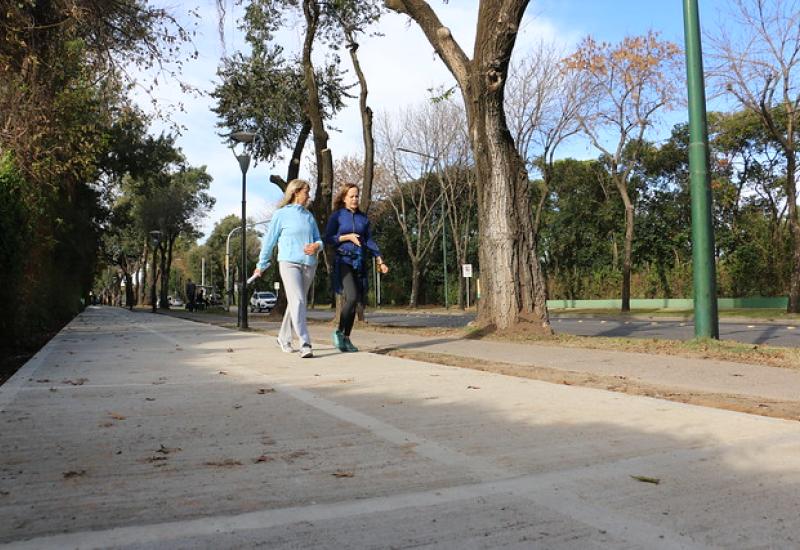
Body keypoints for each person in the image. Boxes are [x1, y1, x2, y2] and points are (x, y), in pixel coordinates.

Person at [252, 179, 322, 358]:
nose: (309, 195)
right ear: (296, 192)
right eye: (306, 191)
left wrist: (316, 246)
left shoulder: (308, 216)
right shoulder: (281, 215)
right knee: (298, 301)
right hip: (289, 262)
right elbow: (269, 241)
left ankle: (283, 337)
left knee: (296, 303)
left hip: (309, 263)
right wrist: (261, 264)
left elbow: (318, 239)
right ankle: (305, 343)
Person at [325, 183, 389, 352]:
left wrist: (380, 259)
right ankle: (339, 332)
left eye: (356, 196)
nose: (354, 199)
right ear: (344, 198)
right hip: (343, 261)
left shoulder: (363, 218)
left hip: (359, 262)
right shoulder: (337, 216)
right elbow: (328, 238)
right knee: (351, 297)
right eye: (351, 196)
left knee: (356, 302)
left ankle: (346, 338)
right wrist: (347, 237)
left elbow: (368, 240)